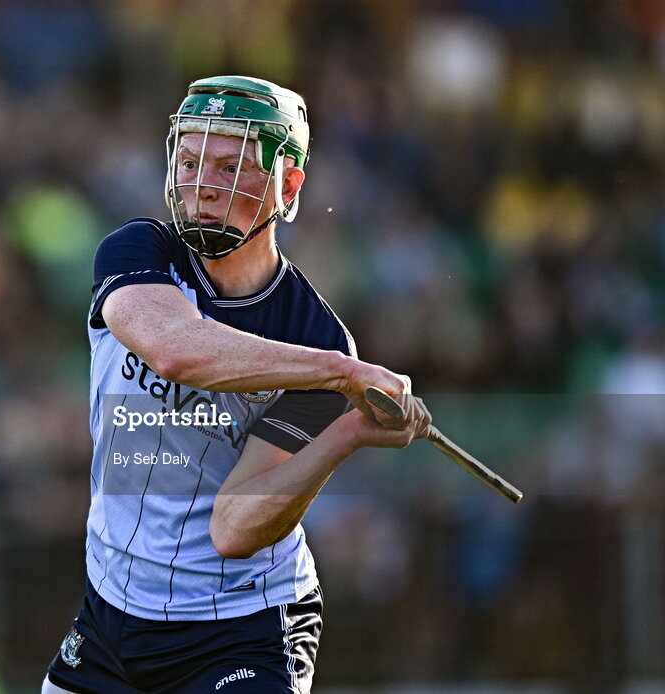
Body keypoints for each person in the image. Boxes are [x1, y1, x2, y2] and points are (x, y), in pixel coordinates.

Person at [42, 76, 431, 694]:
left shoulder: (314, 332)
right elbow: (175, 351)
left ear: (290, 183)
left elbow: (235, 529)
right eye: (191, 161)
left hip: (241, 626)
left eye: (230, 165)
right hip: (109, 612)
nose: (204, 185)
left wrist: (350, 430)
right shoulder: (138, 252)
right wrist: (343, 373)